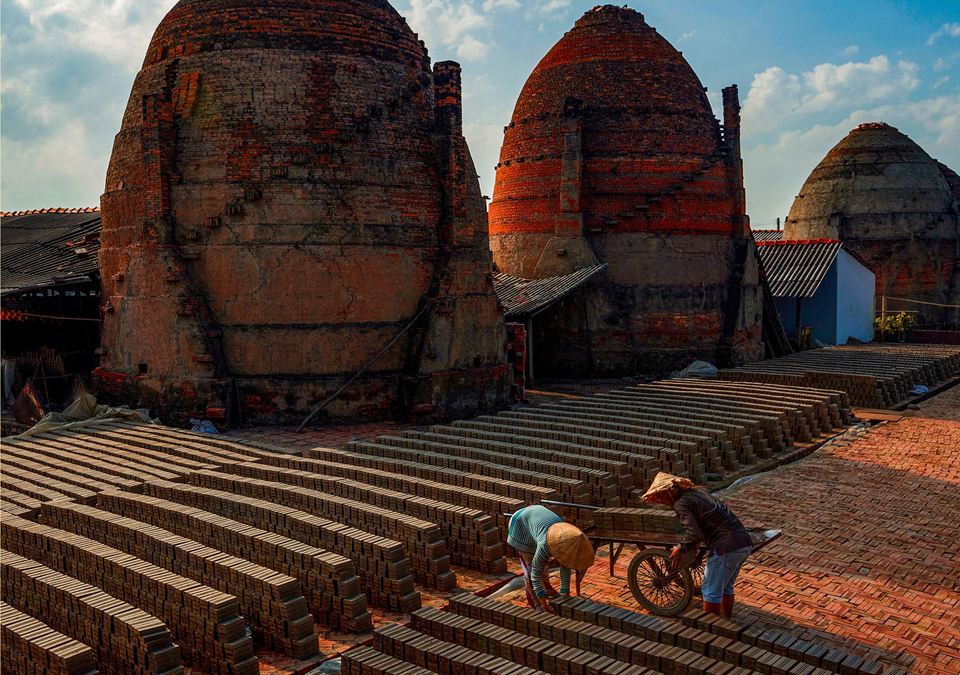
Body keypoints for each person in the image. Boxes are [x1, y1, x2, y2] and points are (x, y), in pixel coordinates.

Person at [642, 472, 753, 618]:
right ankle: (726, 624)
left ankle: (710, 631)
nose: (661, 501)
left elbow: (694, 533)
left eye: (661, 496)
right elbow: (704, 522)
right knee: (726, 587)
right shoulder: (696, 493)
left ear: (671, 490)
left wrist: (680, 548)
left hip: (726, 547)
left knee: (710, 592)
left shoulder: (680, 504)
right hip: (743, 542)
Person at [507, 504, 596, 613]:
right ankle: (536, 605)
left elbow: (565, 566)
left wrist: (566, 596)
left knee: (543, 568)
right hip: (520, 525)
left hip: (537, 517)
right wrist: (545, 606)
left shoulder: (568, 537)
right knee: (531, 571)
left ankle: (546, 593)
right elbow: (535, 575)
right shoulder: (545, 544)